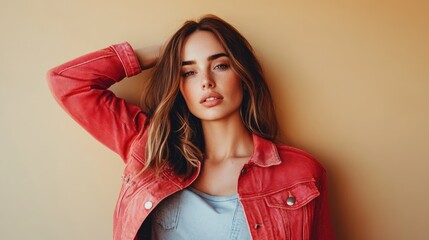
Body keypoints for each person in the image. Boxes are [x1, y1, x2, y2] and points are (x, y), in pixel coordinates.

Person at [47, 14, 334, 240]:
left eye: (220, 65)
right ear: (179, 84)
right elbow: (67, 81)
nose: (206, 81)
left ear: (243, 75)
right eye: (189, 72)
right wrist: (166, 52)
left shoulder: (300, 173)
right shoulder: (148, 147)